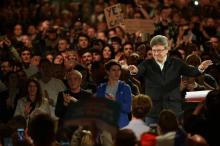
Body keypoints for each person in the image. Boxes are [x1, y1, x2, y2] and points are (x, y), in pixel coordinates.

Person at [129, 35, 213, 125]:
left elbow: (191, 71)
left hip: (173, 110)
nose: (156, 53)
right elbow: (139, 70)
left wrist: (200, 68)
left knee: (173, 137)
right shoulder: (147, 63)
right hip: (153, 111)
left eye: (159, 50)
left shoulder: (176, 63)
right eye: (154, 50)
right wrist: (135, 70)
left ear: (166, 50)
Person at [96, 59, 132, 128]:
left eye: (119, 70)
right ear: (107, 72)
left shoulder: (125, 87)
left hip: (121, 126)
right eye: (114, 70)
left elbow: (128, 109)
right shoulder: (101, 88)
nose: (117, 72)